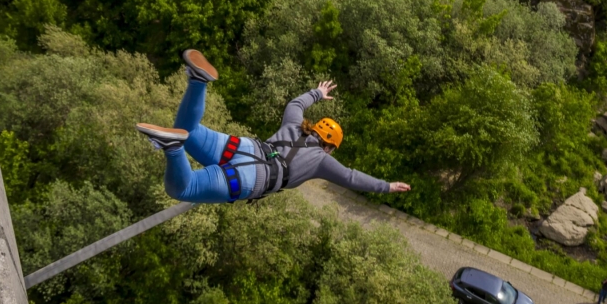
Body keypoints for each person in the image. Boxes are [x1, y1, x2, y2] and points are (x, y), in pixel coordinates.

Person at [135, 50, 411, 204]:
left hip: (244, 147)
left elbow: (295, 103)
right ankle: (172, 149)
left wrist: (317, 92)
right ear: (328, 147)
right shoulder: (321, 162)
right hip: (250, 178)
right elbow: (351, 178)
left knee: (188, 130)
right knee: (183, 190)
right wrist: (386, 186)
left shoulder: (295, 123)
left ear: (316, 129)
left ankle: (198, 80)